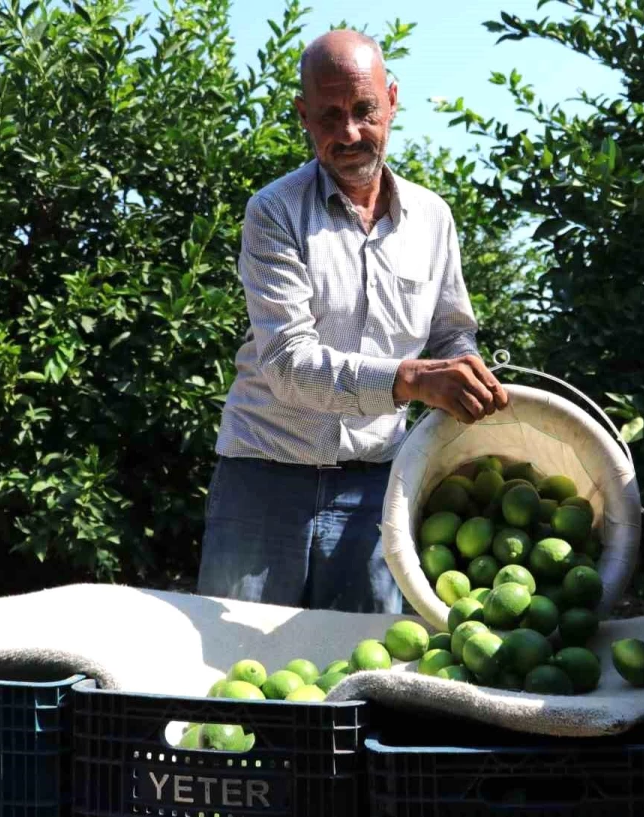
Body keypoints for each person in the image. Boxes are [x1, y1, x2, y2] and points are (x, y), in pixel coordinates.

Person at [196, 29, 509, 613]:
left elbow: (450, 329)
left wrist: (463, 364)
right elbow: (288, 360)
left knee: (361, 670)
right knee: (229, 664)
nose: (349, 133)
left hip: (376, 486)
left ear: (392, 100)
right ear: (302, 117)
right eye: (329, 116)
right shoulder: (274, 212)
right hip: (264, 477)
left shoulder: (432, 219)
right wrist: (412, 382)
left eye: (365, 110)